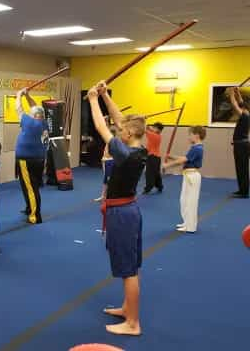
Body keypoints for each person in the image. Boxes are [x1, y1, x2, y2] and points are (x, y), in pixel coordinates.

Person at [87, 81, 147, 336]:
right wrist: (105, 95)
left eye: (122, 130)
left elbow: (102, 126)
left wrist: (91, 99)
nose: (119, 129)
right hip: (129, 211)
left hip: (122, 214)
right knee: (130, 266)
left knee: (128, 269)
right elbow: (120, 120)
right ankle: (127, 309)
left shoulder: (125, 154)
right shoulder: (139, 148)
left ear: (129, 135)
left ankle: (132, 323)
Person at [15, 88, 49, 224]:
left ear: (34, 115)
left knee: (31, 187)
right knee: (27, 186)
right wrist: (27, 95)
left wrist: (19, 95)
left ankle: (35, 215)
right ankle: (30, 207)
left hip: (27, 160)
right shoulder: (43, 122)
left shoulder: (29, 123)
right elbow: (35, 107)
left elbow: (19, 108)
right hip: (39, 159)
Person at [163, 126, 206, 233]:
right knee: (184, 200)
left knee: (191, 201)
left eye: (190, 134)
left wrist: (167, 165)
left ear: (196, 135)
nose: (188, 137)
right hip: (188, 176)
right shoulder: (195, 148)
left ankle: (191, 226)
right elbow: (185, 158)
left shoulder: (197, 148)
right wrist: (171, 157)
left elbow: (183, 160)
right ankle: (187, 222)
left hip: (192, 176)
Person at [229, 87, 249, 198]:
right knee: (242, 168)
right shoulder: (247, 113)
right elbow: (240, 103)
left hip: (241, 146)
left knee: (241, 168)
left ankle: (243, 191)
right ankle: (243, 190)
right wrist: (237, 92)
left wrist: (232, 94)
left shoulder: (244, 115)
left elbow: (235, 104)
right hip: (241, 144)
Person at [94, 126, 117, 202]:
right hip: (106, 161)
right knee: (105, 180)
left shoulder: (113, 141)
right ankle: (103, 196)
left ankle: (110, 197)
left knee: (109, 180)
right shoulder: (109, 140)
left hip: (110, 162)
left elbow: (111, 153)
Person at [143, 122, 164, 194]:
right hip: (157, 158)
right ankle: (160, 186)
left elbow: (144, 129)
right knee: (156, 173)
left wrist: (144, 121)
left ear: (158, 129)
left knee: (149, 173)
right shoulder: (158, 135)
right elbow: (149, 128)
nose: (153, 128)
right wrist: (148, 125)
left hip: (152, 157)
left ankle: (148, 189)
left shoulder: (153, 135)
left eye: (154, 127)